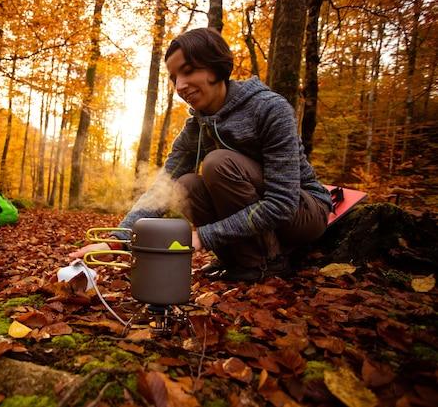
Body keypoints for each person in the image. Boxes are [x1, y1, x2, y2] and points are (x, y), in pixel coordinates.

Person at [70, 27, 332, 281]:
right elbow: (163, 187)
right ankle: (237, 259)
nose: (180, 86)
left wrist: (202, 237)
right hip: (266, 215)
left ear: (215, 66)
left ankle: (267, 263)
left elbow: (282, 203)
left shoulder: (270, 109)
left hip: (303, 211)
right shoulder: (196, 127)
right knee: (184, 185)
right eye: (174, 78)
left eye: (188, 71)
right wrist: (117, 241)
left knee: (217, 163)